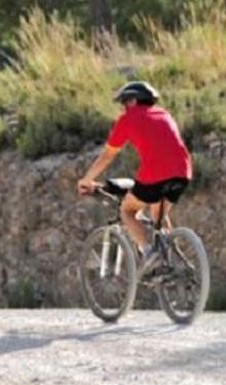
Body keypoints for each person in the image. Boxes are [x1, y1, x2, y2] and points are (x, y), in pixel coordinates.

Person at [77, 81, 192, 258]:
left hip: (155, 174)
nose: (123, 108)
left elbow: (108, 155)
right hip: (182, 172)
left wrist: (87, 180)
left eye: (124, 103)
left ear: (133, 101)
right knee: (157, 213)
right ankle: (171, 258)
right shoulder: (165, 115)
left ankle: (148, 253)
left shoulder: (128, 119)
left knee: (127, 211)